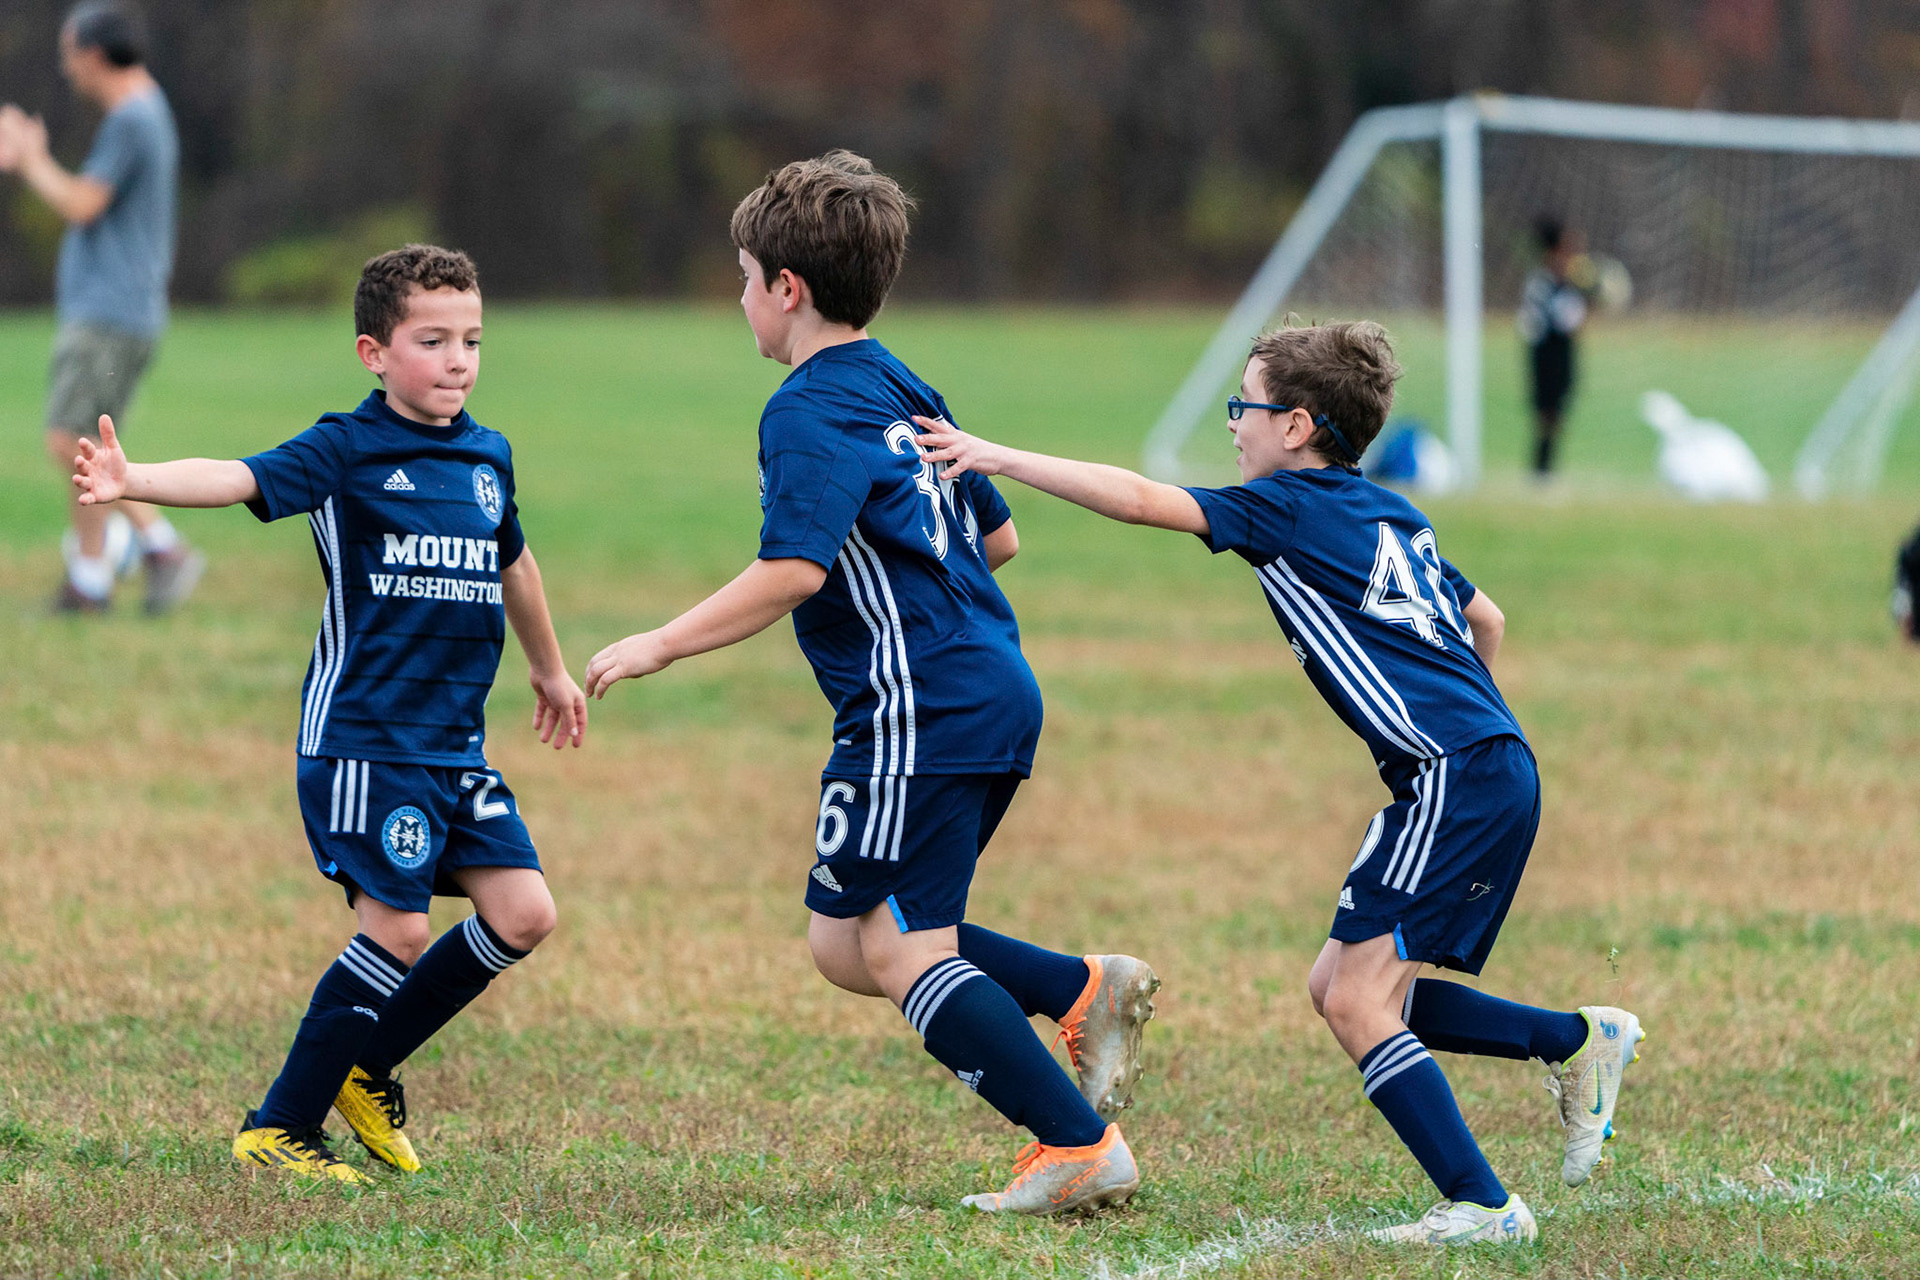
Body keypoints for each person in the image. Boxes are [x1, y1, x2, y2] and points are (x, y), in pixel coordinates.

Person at [911, 319, 1646, 1246]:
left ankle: (1484, 1206)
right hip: (1475, 768)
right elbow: (1483, 618)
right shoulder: (1387, 510)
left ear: (1296, 426)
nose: (1234, 426)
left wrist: (999, 457)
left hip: (1453, 776)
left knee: (1355, 1001)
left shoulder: (1287, 508)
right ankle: (1574, 1043)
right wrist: (1468, 724)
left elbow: (1143, 500)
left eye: (1244, 407)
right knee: (1340, 981)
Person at [583, 151, 1157, 1216]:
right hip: (981, 680)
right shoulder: (899, 378)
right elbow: (1004, 535)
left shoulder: (803, 410)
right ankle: (1075, 987)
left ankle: (1076, 1143)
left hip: (919, 703)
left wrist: (660, 641)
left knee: (899, 944)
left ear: (786, 289)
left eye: (746, 276)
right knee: (846, 942)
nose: (740, 298)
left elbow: (793, 568)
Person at [71, 245, 588, 1182]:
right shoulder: (345, 449)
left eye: (471, 339)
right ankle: (279, 1127)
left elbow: (515, 561)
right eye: (432, 340)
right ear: (373, 353)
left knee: (523, 912)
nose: (458, 359)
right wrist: (134, 478)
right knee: (395, 931)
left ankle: (368, 1064)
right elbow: (236, 476)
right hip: (363, 740)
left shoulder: (486, 454)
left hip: (451, 747)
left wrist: (549, 671)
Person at [0, 2, 202, 612]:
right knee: (85, 442)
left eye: (68, 55)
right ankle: (90, 581)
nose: (67, 71)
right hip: (123, 308)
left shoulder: (133, 119)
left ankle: (161, 546)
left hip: (110, 311)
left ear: (91, 54)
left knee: (70, 440)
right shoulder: (147, 110)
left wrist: (30, 157)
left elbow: (84, 203)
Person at [1517, 217, 1591, 479]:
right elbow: (1555, 320)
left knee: (1558, 411)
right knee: (1547, 412)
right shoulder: (1543, 282)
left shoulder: (1572, 280)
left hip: (1563, 352)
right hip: (1546, 354)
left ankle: (1546, 467)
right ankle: (1541, 469)